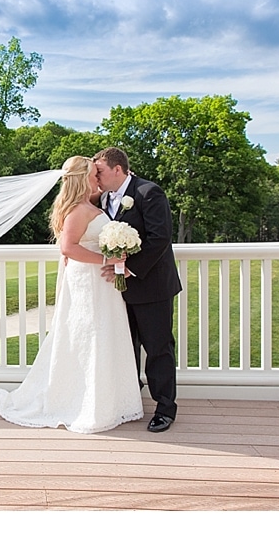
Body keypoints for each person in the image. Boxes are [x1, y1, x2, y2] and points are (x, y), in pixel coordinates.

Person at [0, 156, 144, 433]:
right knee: (88, 337)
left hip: (101, 284)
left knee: (103, 336)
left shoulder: (89, 206)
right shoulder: (77, 210)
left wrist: (116, 257)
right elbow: (68, 248)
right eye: (94, 174)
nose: (98, 177)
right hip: (88, 282)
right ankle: (81, 402)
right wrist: (106, 261)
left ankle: (109, 402)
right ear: (83, 178)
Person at [94, 147, 182, 432]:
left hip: (151, 285)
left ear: (117, 170)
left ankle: (165, 408)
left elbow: (160, 238)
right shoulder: (102, 198)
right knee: (125, 347)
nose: (97, 177)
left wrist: (130, 268)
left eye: (101, 171)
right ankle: (130, 401)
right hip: (116, 290)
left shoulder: (148, 192)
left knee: (158, 348)